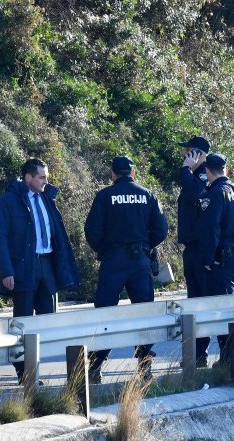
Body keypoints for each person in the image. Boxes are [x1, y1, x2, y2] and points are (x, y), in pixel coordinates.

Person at [0, 157, 80, 384]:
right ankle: (25, 374)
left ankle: (36, 368)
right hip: (23, 268)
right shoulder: (9, 201)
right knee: (22, 323)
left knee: (47, 322)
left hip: (46, 265)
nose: (45, 181)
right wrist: (6, 271)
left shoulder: (47, 198)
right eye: (41, 177)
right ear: (28, 177)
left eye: (46, 177)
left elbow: (57, 234)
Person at [84, 156, 168, 383]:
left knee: (105, 314)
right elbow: (161, 229)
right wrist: (145, 246)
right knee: (143, 314)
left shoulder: (104, 196)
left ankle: (95, 365)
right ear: (133, 173)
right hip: (140, 261)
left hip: (113, 261)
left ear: (112, 174)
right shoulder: (147, 195)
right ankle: (144, 365)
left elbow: (91, 230)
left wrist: (104, 249)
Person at [194, 153, 234, 363]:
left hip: (223, 260)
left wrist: (208, 257)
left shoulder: (215, 193)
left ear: (207, 171)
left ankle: (230, 360)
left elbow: (210, 229)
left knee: (223, 312)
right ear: (226, 169)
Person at [176, 135, 212, 365]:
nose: (183, 155)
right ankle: (196, 354)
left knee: (203, 302)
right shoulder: (195, 175)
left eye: (187, 151)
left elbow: (193, 193)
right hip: (192, 249)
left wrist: (186, 170)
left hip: (201, 249)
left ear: (196, 153)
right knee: (194, 301)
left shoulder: (203, 174)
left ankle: (201, 354)